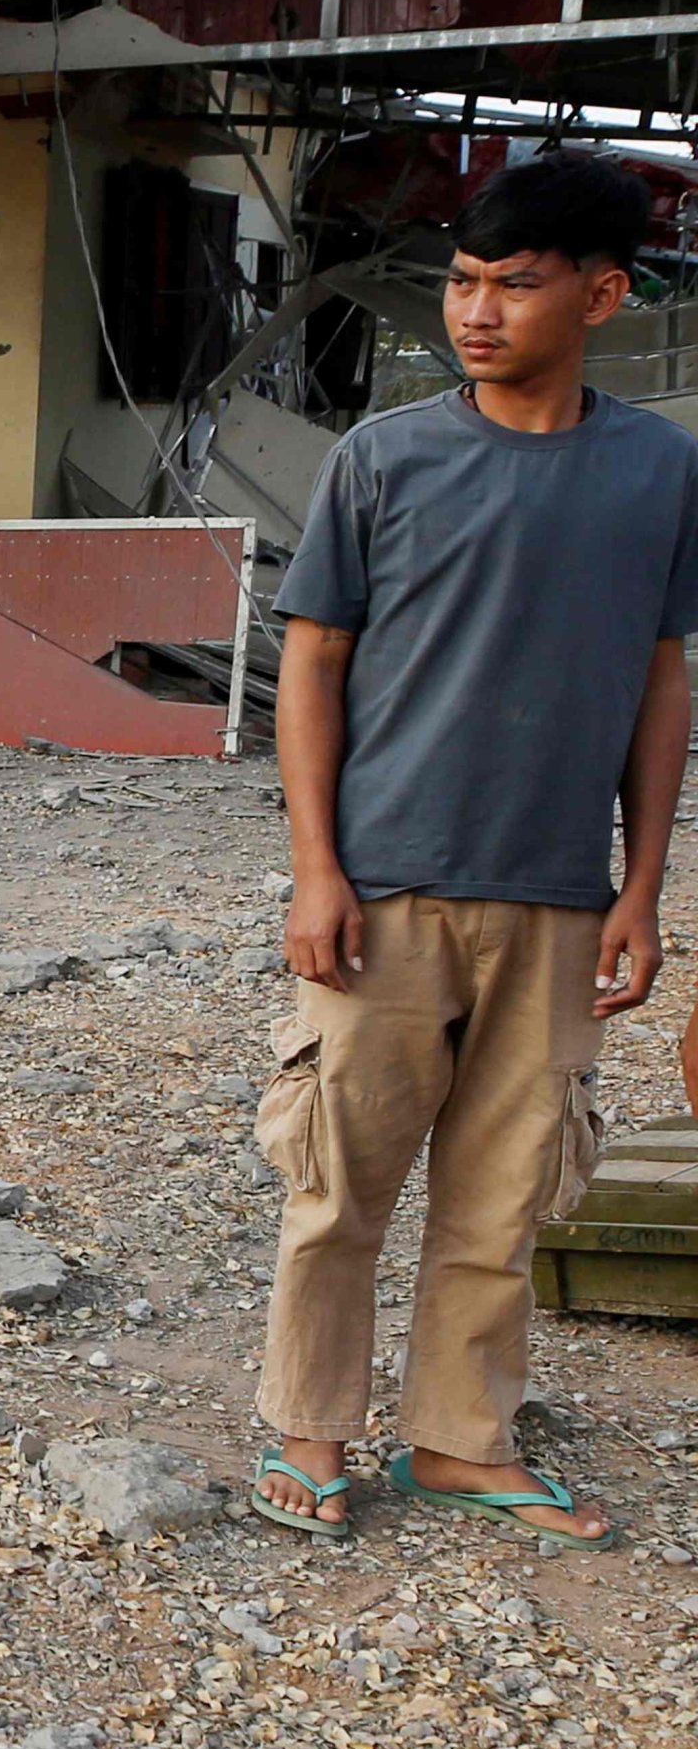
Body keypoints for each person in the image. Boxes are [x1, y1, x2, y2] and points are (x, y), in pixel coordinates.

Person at [251, 149, 698, 1549]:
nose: (477, 310)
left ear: (603, 294)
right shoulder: (385, 458)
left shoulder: (659, 468)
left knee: (508, 1194)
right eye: (462, 281)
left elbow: (663, 679)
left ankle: (459, 1437)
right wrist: (318, 867)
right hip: (386, 887)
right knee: (337, 1182)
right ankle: (310, 1432)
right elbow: (311, 667)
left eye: (515, 283)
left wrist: (641, 883)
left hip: (560, 894)